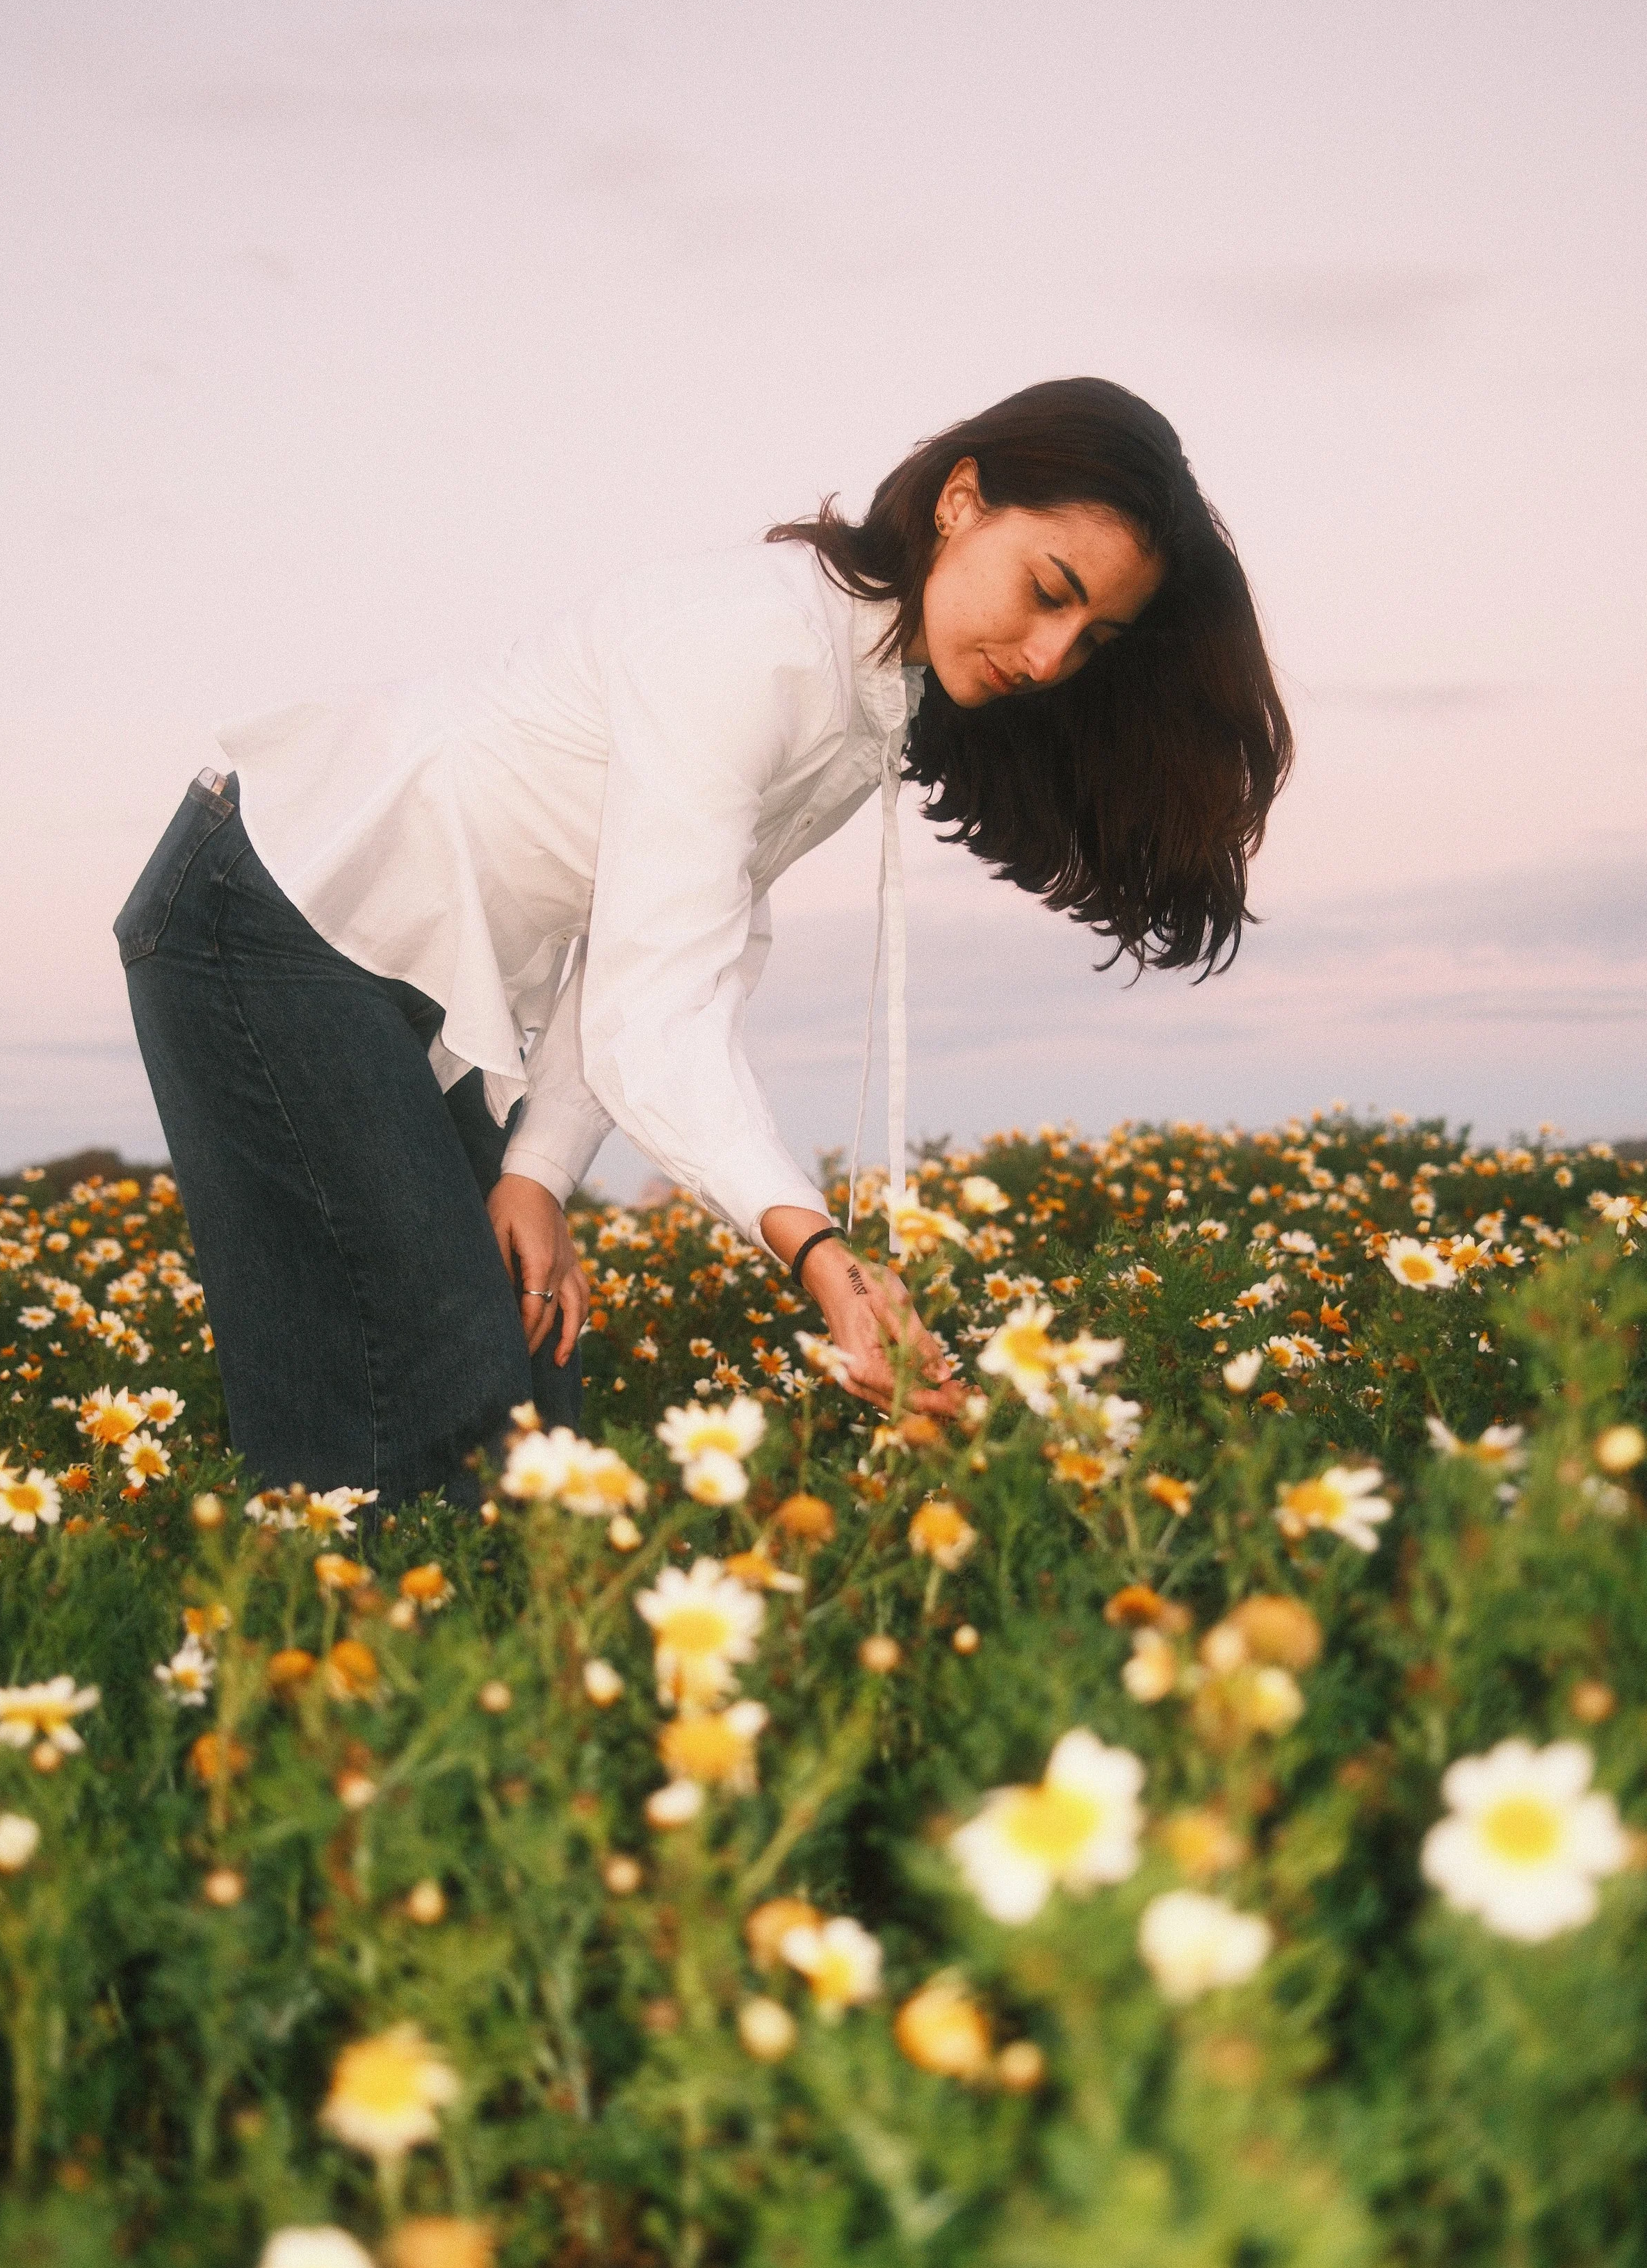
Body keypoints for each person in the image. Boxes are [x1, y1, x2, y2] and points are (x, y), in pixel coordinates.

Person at [115, 377, 1290, 1510]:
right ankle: (365, 1689)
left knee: (532, 1375)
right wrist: (825, 1257)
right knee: (429, 1395)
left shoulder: (862, 696)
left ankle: (499, 1686)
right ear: (961, 500)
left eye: (1090, 640)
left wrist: (538, 1171)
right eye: (1049, 590)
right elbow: (655, 1009)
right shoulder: (754, 641)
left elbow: (659, 934)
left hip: (384, 966)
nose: (1048, 658)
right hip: (267, 903)